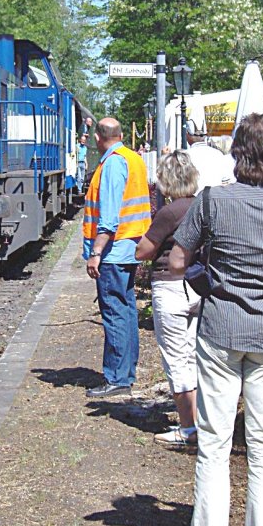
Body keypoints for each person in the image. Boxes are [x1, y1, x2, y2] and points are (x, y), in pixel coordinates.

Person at [170, 113, 263, 526]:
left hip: (220, 329)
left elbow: (178, 259)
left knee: (214, 444)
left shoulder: (212, 200)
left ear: (237, 155)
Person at [135, 150, 200, 447]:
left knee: (176, 359)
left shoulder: (169, 213)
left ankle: (189, 428)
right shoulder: (205, 206)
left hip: (171, 287)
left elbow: (144, 251)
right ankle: (202, 421)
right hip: (199, 285)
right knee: (194, 355)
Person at [83, 117, 151, 398]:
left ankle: (117, 377)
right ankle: (126, 371)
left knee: (114, 313)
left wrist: (96, 252)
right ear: (121, 135)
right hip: (130, 247)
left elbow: (109, 219)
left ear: (98, 138)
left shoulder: (111, 164)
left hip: (112, 251)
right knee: (126, 311)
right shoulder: (133, 158)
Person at [184, 121, 232, 192]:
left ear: (188, 135)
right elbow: (226, 182)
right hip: (215, 199)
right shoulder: (218, 154)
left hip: (192, 200)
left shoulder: (184, 156)